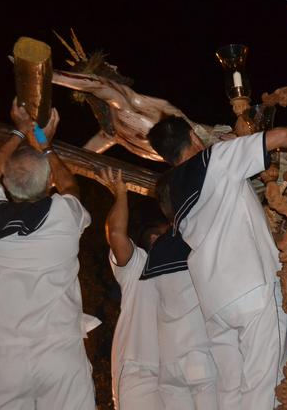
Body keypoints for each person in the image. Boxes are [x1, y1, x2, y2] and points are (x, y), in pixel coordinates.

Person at [148, 117, 287, 409]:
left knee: (230, 390)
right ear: (193, 135)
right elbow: (280, 135)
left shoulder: (174, 188)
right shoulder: (215, 159)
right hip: (250, 288)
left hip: (215, 301)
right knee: (266, 383)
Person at [0, 100, 98, 409]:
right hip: (58, 348)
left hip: (3, 354)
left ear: (6, 185)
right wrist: (46, 146)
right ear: (49, 183)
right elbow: (70, 186)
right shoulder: (63, 217)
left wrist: (18, 132)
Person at [96, 167, 217, 410]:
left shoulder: (188, 267)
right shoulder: (136, 266)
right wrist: (120, 194)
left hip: (177, 371)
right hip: (138, 370)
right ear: (153, 239)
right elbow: (117, 234)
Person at [52, 69, 232, 161]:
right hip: (200, 162)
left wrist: (49, 75)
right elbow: (79, 157)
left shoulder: (131, 105)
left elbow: (97, 84)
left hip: (214, 143)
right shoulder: (113, 134)